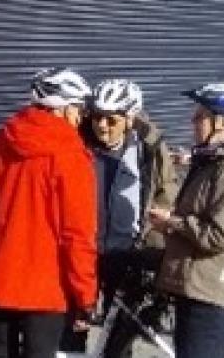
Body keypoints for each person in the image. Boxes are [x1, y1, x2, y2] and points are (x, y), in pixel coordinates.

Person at [0, 67, 97, 358]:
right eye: (79, 109)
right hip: (46, 287)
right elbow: (77, 234)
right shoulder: (71, 155)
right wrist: (85, 296)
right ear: (64, 109)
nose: (81, 118)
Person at [149, 83, 224, 358]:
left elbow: (220, 235)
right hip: (198, 288)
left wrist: (172, 222)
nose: (192, 121)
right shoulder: (214, 161)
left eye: (200, 116)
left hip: (212, 296)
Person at [60, 79, 179, 352]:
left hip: (126, 251)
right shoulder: (77, 143)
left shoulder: (148, 148)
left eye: (111, 120)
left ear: (129, 119)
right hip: (82, 251)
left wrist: (151, 239)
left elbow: (166, 192)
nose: (102, 125)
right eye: (97, 117)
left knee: (119, 334)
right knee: (72, 326)